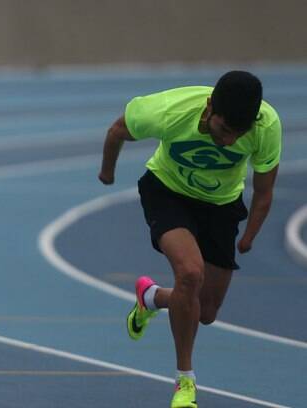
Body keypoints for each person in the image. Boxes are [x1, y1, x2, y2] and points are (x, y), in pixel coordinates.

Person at [98, 71, 281, 408]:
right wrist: (107, 171)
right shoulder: (170, 110)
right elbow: (116, 130)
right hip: (168, 193)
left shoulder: (266, 126)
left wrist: (250, 235)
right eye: (224, 131)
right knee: (190, 274)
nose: (228, 141)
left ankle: (151, 297)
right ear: (210, 107)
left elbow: (265, 190)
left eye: (238, 135)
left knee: (206, 311)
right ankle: (185, 382)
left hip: (221, 207)